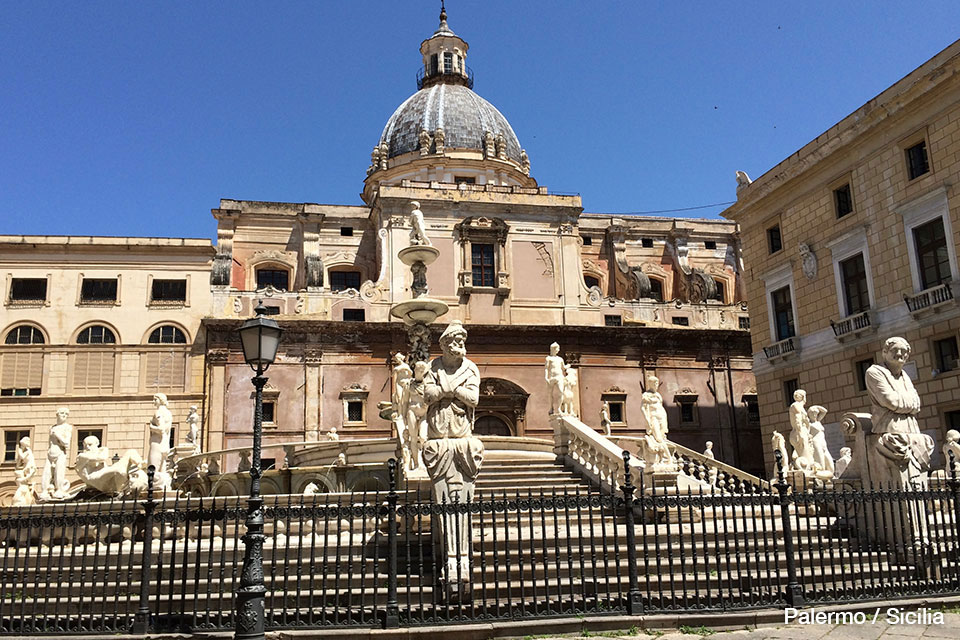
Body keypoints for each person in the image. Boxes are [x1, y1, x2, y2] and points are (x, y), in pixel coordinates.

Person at [421, 321, 484, 601]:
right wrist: (455, 388)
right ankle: (452, 557)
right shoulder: (432, 366)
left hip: (461, 434)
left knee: (459, 499)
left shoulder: (471, 368)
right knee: (445, 497)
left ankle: (460, 557)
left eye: (462, 341)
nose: (459, 345)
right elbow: (428, 395)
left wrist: (447, 388)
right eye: (454, 341)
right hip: (439, 435)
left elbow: (474, 398)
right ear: (445, 345)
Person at [865, 337, 932, 487]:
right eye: (895, 350)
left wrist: (904, 403)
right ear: (885, 352)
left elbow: (917, 403)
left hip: (911, 429)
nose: (900, 354)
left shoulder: (905, 376)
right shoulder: (874, 372)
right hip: (889, 428)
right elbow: (890, 401)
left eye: (904, 351)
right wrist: (909, 404)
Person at [41, 407, 72, 500]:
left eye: (66, 414)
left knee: (59, 472)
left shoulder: (67, 427)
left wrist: (57, 435)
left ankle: (60, 490)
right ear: (57, 415)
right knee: (46, 473)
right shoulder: (52, 427)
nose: (64, 415)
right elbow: (49, 443)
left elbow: (66, 443)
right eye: (62, 413)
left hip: (60, 452)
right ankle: (45, 491)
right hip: (50, 453)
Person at [148, 393, 173, 489]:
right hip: (164, 443)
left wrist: (151, 427)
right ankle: (163, 488)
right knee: (162, 469)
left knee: (152, 469)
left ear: (161, 400)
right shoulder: (168, 413)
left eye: (155, 399)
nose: (153, 401)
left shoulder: (158, 412)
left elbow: (161, 429)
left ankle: (153, 490)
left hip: (157, 442)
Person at [544, 343, 566, 415]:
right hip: (551, 377)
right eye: (557, 348)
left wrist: (568, 366)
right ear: (553, 349)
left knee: (561, 392)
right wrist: (546, 377)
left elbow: (563, 367)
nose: (558, 350)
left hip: (559, 376)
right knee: (550, 393)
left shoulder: (560, 359)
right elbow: (546, 368)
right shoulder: (548, 358)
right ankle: (551, 407)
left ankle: (559, 408)